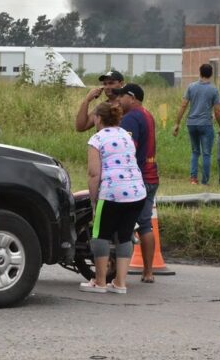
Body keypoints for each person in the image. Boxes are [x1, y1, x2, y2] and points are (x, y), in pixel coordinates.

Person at [80, 101, 147, 294]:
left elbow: (94, 174)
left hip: (112, 193)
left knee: (100, 234)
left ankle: (100, 281)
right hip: (137, 192)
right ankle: (120, 283)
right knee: (125, 236)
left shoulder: (97, 139)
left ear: (98, 118)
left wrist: (94, 202)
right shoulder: (126, 135)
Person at [113, 83, 160, 283]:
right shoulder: (147, 114)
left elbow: (128, 150)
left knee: (122, 224)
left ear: (131, 97)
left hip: (137, 179)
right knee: (146, 224)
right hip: (151, 176)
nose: (118, 101)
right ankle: (148, 272)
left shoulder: (131, 118)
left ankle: (114, 270)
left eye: (121, 97)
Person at [172, 63, 220, 185]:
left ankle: (193, 178)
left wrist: (177, 123)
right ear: (211, 74)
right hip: (206, 124)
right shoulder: (213, 89)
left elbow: (183, 105)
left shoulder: (191, 87)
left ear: (199, 73)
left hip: (191, 123)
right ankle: (205, 181)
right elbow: (217, 111)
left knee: (195, 152)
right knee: (206, 153)